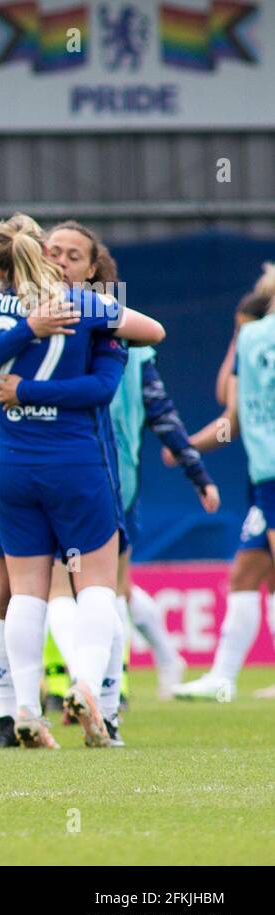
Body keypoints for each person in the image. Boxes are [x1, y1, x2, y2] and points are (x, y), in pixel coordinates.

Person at [0, 214, 164, 749]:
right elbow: (153, 333)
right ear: (46, 256)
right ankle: (90, 690)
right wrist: (103, 317)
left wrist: (25, 355)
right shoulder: (86, 306)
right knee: (97, 583)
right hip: (75, 463)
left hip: (13, 466)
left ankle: (26, 709)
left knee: (25, 593)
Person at [39, 221, 216, 708]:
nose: (60, 262)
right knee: (65, 582)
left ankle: (99, 687)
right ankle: (74, 686)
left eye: (73, 256)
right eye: (52, 251)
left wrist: (196, 470)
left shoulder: (125, 337)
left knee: (100, 585)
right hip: (48, 471)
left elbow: (160, 410)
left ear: (94, 270)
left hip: (111, 479)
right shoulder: (34, 328)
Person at [174, 269, 275, 701]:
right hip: (263, 478)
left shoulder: (253, 340)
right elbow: (234, 414)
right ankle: (223, 678)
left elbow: (228, 417)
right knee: (245, 573)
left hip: (269, 473)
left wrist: (186, 446)